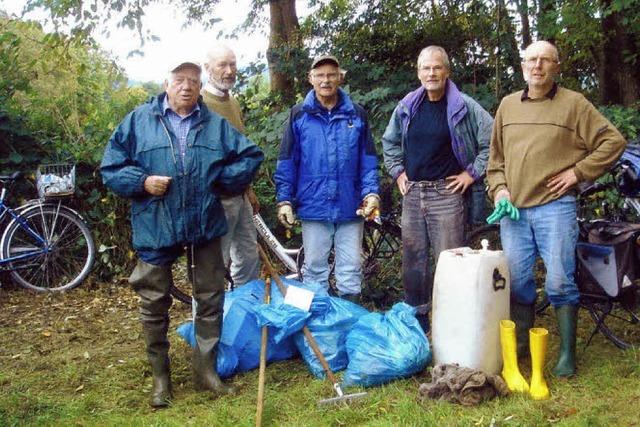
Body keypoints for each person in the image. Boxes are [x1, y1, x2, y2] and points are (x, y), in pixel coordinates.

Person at [100, 58, 263, 407]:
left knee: (210, 297)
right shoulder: (138, 122)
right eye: (179, 79)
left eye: (193, 80)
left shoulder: (215, 125)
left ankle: (206, 374)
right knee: (153, 301)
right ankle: (162, 380)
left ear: (199, 85)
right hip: (156, 221)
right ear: (166, 83)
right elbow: (111, 166)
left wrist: (220, 182)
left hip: (204, 220)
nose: (186, 86)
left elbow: (250, 155)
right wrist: (141, 182)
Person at [487, 40, 626, 376]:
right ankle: (521, 344)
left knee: (560, 282)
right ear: (522, 67)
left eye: (545, 60)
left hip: (555, 208)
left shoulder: (573, 104)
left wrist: (578, 172)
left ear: (556, 67)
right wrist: (500, 190)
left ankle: (566, 354)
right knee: (518, 283)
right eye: (531, 60)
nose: (538, 66)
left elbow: (614, 142)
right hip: (515, 212)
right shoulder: (507, 106)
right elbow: (496, 160)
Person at [381, 45, 493, 331]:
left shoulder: (464, 106)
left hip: (447, 194)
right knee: (413, 261)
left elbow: (493, 141)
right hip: (413, 193)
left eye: (437, 67)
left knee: (450, 261)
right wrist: (398, 173)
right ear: (418, 73)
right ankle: (419, 323)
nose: (431, 73)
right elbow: (390, 142)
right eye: (426, 68)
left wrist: (471, 174)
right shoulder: (407, 106)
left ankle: (452, 323)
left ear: (447, 71)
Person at [274, 55, 380, 302]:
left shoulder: (357, 115)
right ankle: (318, 331)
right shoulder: (298, 115)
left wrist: (371, 193)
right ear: (310, 79)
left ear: (340, 78)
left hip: (351, 205)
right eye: (320, 75)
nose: (326, 80)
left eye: (331, 74)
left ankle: (347, 326)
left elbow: (368, 161)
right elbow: (287, 161)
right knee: (314, 269)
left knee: (351, 269)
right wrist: (285, 200)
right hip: (313, 205)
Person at [202, 44, 260, 286]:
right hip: (216, 198)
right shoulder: (200, 104)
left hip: (240, 194)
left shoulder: (233, 103)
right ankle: (208, 321)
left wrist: (249, 189)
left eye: (233, 64)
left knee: (248, 258)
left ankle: (242, 312)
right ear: (207, 68)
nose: (229, 70)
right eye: (222, 64)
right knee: (214, 265)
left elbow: (242, 152)